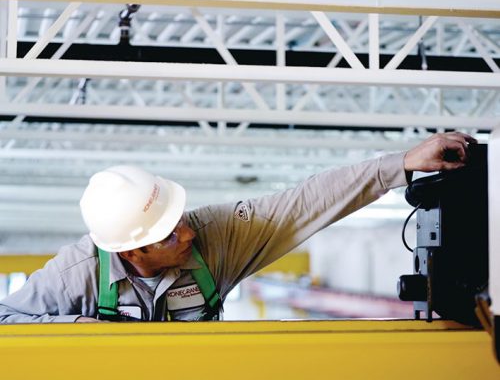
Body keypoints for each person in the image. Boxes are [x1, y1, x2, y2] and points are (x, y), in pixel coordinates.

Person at [0, 132, 476, 323]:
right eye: (167, 236)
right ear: (132, 252)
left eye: (179, 218)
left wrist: (402, 165)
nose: (187, 235)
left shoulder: (215, 236)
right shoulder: (74, 274)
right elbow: (7, 324)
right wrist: (88, 330)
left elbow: (302, 203)